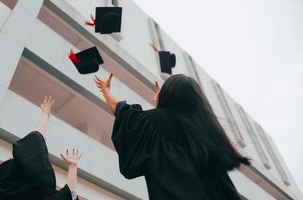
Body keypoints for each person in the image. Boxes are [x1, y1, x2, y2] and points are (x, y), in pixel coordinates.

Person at [94, 73, 251, 200]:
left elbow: (122, 111)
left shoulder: (151, 123)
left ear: (167, 94)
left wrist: (106, 90)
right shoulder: (205, 133)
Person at [0, 96, 82, 200]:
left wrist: (45, 117)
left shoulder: (4, 186)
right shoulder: (13, 175)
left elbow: (35, 142)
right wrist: (72, 166)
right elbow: (69, 195)